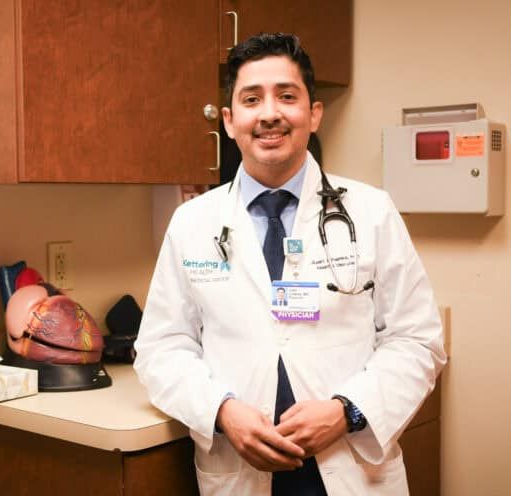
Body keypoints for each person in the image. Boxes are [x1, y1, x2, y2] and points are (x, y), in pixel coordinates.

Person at [134, 33, 446, 495]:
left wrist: (347, 410)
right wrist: (222, 411)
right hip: (240, 466)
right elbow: (161, 347)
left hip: (349, 464)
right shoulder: (193, 223)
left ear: (313, 113)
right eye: (251, 99)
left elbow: (418, 341)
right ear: (228, 119)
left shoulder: (371, 211)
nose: (269, 114)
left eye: (286, 96)